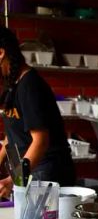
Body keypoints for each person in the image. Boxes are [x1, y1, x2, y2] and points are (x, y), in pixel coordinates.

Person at [0, 27, 75, 197]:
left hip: (47, 171)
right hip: (29, 170)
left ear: (1, 53)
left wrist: (14, 180)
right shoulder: (12, 84)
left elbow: (40, 142)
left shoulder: (30, 85)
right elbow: (11, 135)